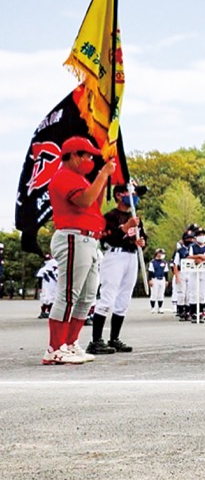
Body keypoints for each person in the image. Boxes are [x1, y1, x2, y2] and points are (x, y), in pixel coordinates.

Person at [42, 137, 118, 365]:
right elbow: (84, 201)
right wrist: (103, 174)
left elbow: (93, 202)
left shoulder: (79, 178)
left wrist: (102, 179)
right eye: (87, 155)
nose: (90, 160)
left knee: (86, 297)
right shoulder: (64, 176)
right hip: (74, 236)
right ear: (73, 155)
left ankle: (69, 343)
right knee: (68, 295)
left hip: (87, 239)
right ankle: (55, 348)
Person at [89, 185, 148, 355]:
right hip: (114, 256)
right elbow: (107, 237)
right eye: (131, 194)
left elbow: (142, 236)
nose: (134, 197)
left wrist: (141, 243)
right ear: (119, 195)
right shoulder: (110, 216)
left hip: (131, 256)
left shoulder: (135, 217)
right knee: (108, 296)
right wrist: (124, 227)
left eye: (136, 195)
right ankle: (96, 340)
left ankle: (114, 338)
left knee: (123, 299)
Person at [37, 253, 58, 319]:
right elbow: (39, 279)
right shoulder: (43, 270)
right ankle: (43, 312)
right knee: (46, 299)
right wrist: (40, 287)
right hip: (46, 287)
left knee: (52, 299)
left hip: (54, 286)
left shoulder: (57, 270)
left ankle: (50, 312)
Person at [148, 248, 168, 313]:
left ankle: (160, 308)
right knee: (154, 294)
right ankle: (153, 307)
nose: (162, 255)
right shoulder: (153, 262)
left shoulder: (164, 262)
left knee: (161, 294)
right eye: (161, 253)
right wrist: (150, 279)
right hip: (155, 279)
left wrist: (166, 280)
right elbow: (150, 271)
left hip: (162, 279)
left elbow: (166, 272)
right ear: (157, 254)